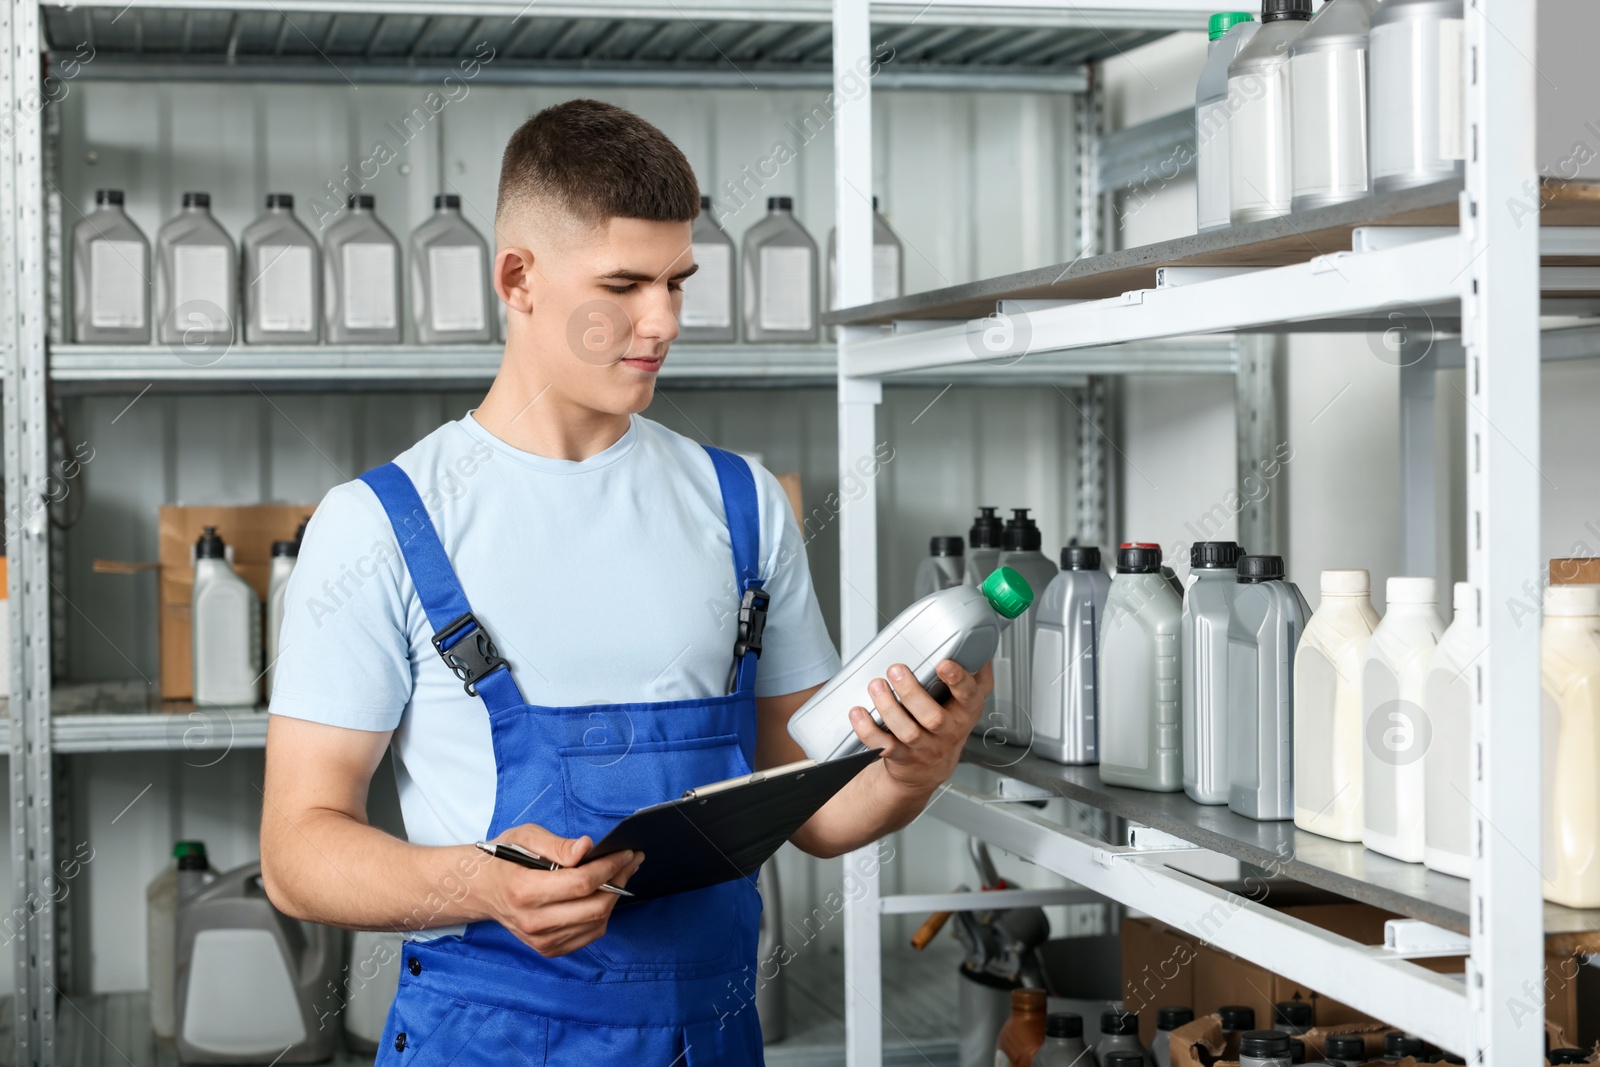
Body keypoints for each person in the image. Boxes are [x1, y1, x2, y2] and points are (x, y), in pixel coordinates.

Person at [260, 98, 991, 1065]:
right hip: (486, 1041)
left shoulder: (745, 505)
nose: (663, 322)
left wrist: (911, 770)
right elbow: (297, 850)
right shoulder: (384, 523)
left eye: (678, 282)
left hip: (714, 1037)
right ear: (517, 278)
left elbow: (811, 808)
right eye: (625, 284)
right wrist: (480, 885)